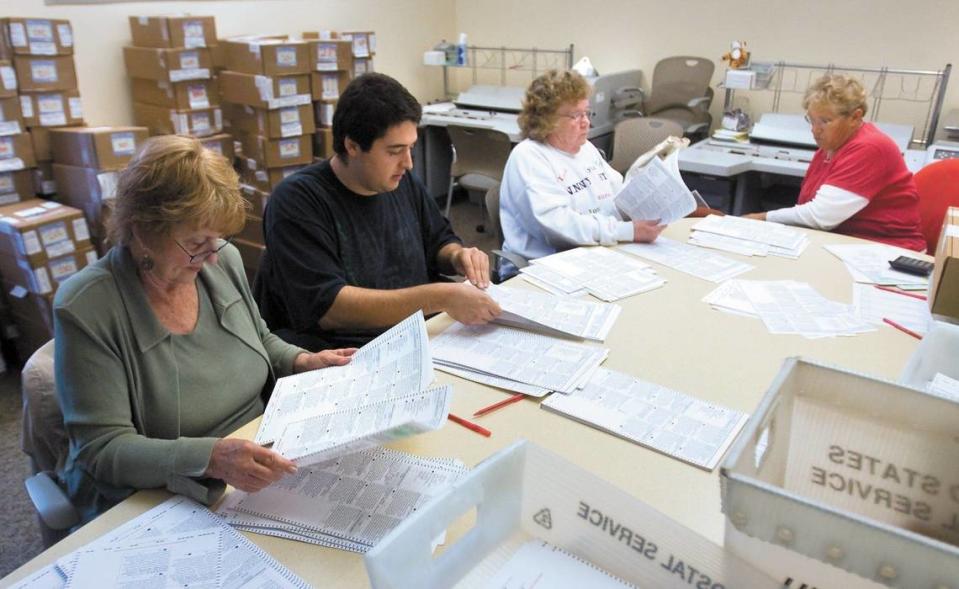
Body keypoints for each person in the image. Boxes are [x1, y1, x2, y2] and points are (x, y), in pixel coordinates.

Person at [53, 136, 357, 525]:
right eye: (198, 242)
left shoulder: (219, 262)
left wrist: (302, 360)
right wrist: (212, 457)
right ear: (145, 231)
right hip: (165, 494)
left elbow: (258, 338)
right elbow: (101, 449)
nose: (213, 255)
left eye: (217, 239)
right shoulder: (87, 306)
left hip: (255, 464)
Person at [255, 73, 501, 350]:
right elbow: (329, 307)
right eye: (395, 151)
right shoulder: (298, 201)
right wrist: (440, 297)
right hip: (348, 350)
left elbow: (438, 240)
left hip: (417, 332)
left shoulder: (400, 182)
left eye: (410, 148)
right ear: (352, 146)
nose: (408, 163)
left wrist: (458, 256)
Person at [498, 69, 665, 278]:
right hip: (543, 268)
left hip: (592, 254)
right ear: (546, 119)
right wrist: (628, 231)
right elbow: (560, 226)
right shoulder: (529, 156)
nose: (586, 122)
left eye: (586, 112)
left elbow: (618, 193)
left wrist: (651, 198)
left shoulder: (584, 148)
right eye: (575, 116)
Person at [745, 74, 925, 251]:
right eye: (811, 120)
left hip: (887, 251)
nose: (815, 130)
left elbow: (821, 216)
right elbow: (806, 204)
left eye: (825, 121)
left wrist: (760, 218)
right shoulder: (829, 148)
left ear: (855, 117)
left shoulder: (870, 148)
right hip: (844, 243)